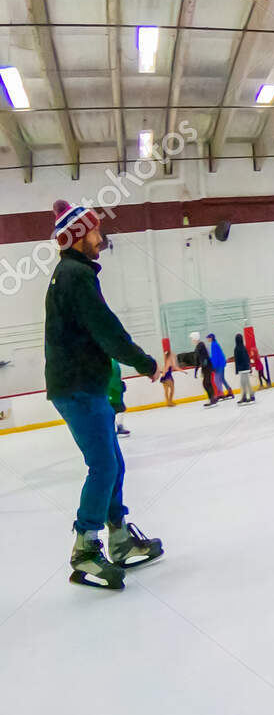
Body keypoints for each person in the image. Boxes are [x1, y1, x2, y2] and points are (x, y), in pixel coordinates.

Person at [43, 200, 164, 590]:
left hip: (84, 385)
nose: (101, 238)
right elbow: (106, 329)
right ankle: (85, 549)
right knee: (104, 467)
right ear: (78, 237)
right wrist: (146, 363)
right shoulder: (76, 275)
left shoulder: (72, 273)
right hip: (77, 387)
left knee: (114, 464)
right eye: (95, 232)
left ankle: (120, 539)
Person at [191, 331, 218, 407]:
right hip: (205, 367)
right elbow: (198, 360)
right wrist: (196, 370)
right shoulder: (198, 346)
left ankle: (212, 399)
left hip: (207, 367)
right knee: (206, 383)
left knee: (206, 383)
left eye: (192, 338)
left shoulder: (201, 345)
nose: (192, 340)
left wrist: (205, 366)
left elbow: (204, 357)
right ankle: (212, 398)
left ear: (195, 338)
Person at [207, 333, 234, 400]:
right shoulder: (215, 344)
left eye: (208, 338)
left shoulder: (213, 345)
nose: (207, 339)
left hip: (219, 364)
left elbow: (215, 356)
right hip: (221, 363)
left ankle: (220, 393)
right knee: (221, 378)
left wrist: (214, 366)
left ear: (211, 338)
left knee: (216, 379)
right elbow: (216, 355)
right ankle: (229, 391)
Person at [233, 333, 256, 403]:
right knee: (245, 382)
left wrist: (237, 370)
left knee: (244, 383)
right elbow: (247, 358)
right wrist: (249, 367)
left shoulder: (237, 348)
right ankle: (245, 396)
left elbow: (237, 360)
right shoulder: (243, 347)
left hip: (243, 369)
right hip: (245, 368)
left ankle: (249, 396)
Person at [108, 366, 130, 437]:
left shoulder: (112, 362)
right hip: (112, 393)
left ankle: (117, 427)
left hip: (114, 393)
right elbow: (113, 380)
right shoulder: (112, 363)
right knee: (118, 408)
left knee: (119, 409)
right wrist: (120, 386)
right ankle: (118, 427)